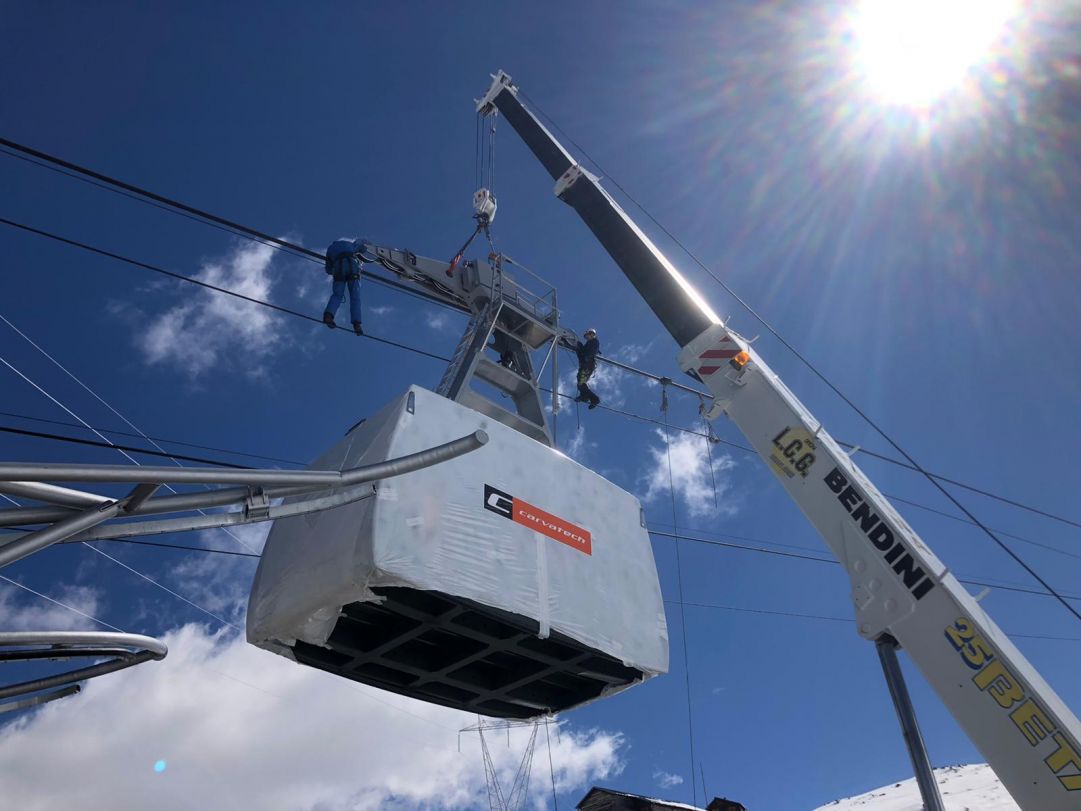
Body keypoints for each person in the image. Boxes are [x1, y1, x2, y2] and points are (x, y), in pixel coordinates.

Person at [323, 238, 367, 336]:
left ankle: (328, 315)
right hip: (352, 265)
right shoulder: (350, 244)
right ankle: (357, 324)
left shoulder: (330, 249)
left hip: (338, 267)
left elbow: (328, 269)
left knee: (337, 295)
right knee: (355, 296)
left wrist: (334, 271)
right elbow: (363, 247)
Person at [573, 327, 601, 409]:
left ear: (592, 334)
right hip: (585, 364)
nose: (586, 337)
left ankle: (590, 398)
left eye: (587, 335)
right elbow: (583, 352)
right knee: (580, 382)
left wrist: (579, 346)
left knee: (581, 381)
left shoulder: (594, 342)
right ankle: (591, 398)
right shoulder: (590, 343)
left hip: (587, 365)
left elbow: (587, 353)